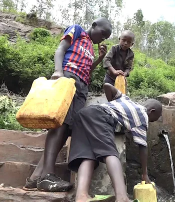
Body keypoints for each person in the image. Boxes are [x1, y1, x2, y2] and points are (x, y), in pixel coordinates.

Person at [23, 17, 113, 192]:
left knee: (67, 129)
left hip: (82, 86)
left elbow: (87, 69)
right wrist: (58, 72)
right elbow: (61, 49)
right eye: (102, 34)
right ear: (93, 25)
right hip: (68, 77)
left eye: (105, 38)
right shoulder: (77, 30)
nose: (102, 39)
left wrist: (100, 58)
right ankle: (47, 176)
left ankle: (35, 177)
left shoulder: (90, 48)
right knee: (59, 124)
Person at [68, 83, 162, 202]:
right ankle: (122, 197)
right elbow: (142, 146)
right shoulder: (142, 117)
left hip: (83, 114)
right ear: (152, 111)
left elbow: (107, 85)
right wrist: (144, 174)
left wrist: (111, 103)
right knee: (110, 154)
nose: (152, 122)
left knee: (87, 156)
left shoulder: (126, 99)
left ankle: (81, 197)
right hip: (100, 116)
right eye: (155, 119)